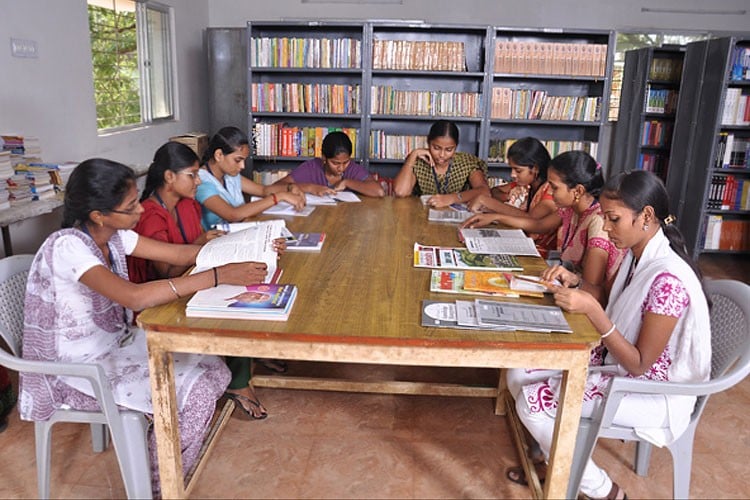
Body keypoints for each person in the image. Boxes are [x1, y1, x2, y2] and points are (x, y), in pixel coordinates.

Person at [18, 158, 271, 495]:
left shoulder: (115, 237)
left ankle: (170, 461)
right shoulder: (68, 247)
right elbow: (133, 298)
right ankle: (159, 483)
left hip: (116, 345)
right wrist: (215, 276)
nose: (140, 210)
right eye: (130, 205)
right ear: (99, 215)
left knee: (216, 369)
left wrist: (254, 245)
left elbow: (181, 255)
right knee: (194, 396)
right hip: (75, 371)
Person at [506, 170, 711, 500]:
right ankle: (558, 458)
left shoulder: (668, 280)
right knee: (519, 372)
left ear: (645, 216)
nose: (607, 227)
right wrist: (575, 283)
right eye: (604, 217)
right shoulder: (636, 254)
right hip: (620, 364)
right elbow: (614, 302)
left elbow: (640, 364)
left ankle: (606, 491)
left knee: (533, 405)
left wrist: (593, 312)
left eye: (613, 219)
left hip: (654, 391)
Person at [128, 141, 276, 419]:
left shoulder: (187, 205)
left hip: (190, 280)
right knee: (236, 300)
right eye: (191, 175)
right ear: (169, 177)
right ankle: (239, 382)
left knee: (248, 284)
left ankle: (248, 361)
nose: (198, 181)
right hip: (160, 298)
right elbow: (167, 274)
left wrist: (254, 245)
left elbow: (198, 255)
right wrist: (204, 245)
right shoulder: (149, 215)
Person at [465, 150, 625, 305]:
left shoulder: (598, 223)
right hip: (566, 291)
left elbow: (589, 292)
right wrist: (496, 216)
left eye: (555, 188)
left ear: (578, 191)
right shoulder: (571, 209)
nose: (551, 193)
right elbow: (539, 225)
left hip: (581, 304)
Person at [196, 126, 306, 229]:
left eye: (244, 160)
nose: (242, 166)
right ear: (219, 155)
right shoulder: (201, 182)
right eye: (238, 160)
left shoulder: (229, 175)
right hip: (218, 241)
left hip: (240, 230)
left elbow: (263, 190)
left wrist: (289, 188)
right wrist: (280, 196)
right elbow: (233, 214)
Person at [465, 137, 558, 251]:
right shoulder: (526, 184)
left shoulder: (550, 189)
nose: (513, 175)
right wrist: (508, 196)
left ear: (535, 168)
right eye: (511, 169)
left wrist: (486, 201)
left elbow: (532, 220)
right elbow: (494, 191)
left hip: (540, 251)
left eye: (518, 171)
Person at [393, 120, 490, 206]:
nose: (442, 155)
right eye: (436, 148)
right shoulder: (419, 161)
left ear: (456, 147)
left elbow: (484, 191)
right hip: (422, 216)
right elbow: (400, 192)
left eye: (449, 149)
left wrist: (451, 198)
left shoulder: (467, 162)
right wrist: (413, 154)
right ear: (428, 142)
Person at [272, 131, 385, 197]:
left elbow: (379, 191)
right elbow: (274, 188)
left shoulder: (352, 169)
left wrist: (347, 182)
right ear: (324, 158)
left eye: (345, 162)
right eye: (335, 163)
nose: (341, 168)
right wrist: (309, 187)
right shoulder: (311, 168)